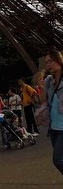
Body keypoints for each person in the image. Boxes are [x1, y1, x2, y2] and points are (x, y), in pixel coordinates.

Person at [44, 48, 63, 176]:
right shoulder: (49, 81)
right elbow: (44, 102)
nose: (48, 65)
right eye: (46, 62)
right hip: (53, 127)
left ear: (59, 61)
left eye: (50, 61)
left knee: (57, 160)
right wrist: (42, 88)